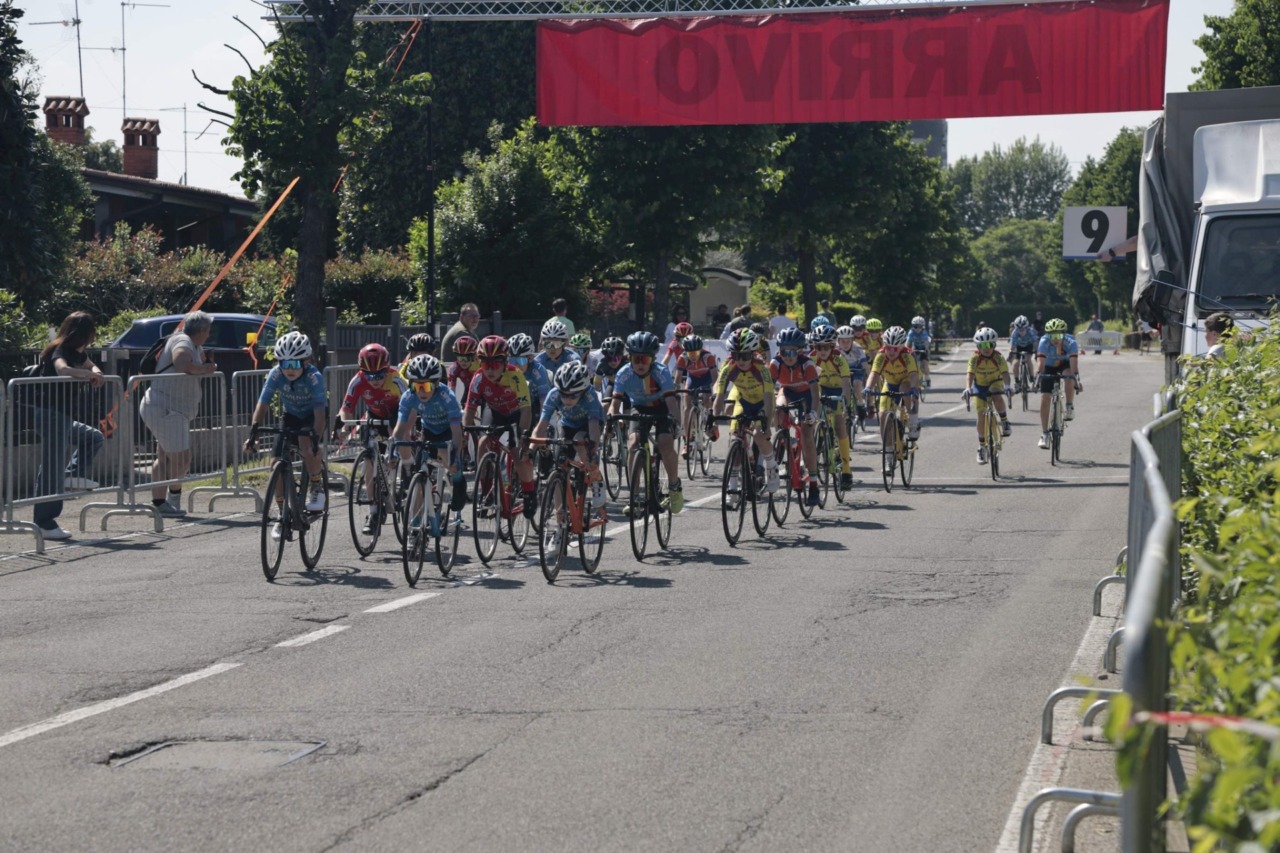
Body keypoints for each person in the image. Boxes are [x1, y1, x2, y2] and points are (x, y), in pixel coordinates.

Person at [31, 311, 108, 540]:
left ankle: (70, 475)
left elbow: (93, 366)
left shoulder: (78, 352)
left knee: (93, 437)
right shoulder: (59, 350)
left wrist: (96, 373)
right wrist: (86, 374)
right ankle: (44, 522)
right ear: (85, 333)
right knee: (51, 469)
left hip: (61, 416)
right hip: (51, 415)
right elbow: (62, 370)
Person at [243, 332, 329, 539]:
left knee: (306, 446)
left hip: (311, 416)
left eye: (295, 363)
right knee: (275, 464)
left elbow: (319, 415)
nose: (289, 368)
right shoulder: (276, 374)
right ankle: (282, 515)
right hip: (290, 415)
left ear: (306, 361)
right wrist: (254, 432)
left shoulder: (314, 377)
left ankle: (316, 487)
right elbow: (262, 404)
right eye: (284, 363)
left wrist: (316, 440)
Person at [139, 310, 219, 519]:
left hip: (168, 409)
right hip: (166, 409)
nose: (209, 335)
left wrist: (207, 364)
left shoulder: (193, 344)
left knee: (165, 457)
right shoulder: (182, 341)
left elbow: (200, 362)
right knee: (181, 459)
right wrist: (206, 369)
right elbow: (182, 364)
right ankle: (171, 499)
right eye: (208, 331)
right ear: (201, 330)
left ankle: (159, 503)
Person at [608, 330, 685, 513]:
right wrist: (611, 417)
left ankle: (674, 486)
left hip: (662, 407)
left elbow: (671, 402)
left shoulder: (661, 372)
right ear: (629, 358)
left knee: (664, 443)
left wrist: (676, 423)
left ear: (653, 359)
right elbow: (615, 403)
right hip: (640, 407)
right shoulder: (623, 373)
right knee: (633, 443)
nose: (640, 364)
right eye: (636, 359)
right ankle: (634, 496)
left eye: (645, 359)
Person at [462, 335, 538, 519]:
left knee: (516, 452)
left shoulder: (516, 376)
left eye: (495, 364)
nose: (489, 369)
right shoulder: (478, 378)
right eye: (484, 363)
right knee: (483, 444)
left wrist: (522, 434)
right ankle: (487, 493)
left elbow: (526, 410)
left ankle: (529, 492)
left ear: (504, 362)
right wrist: (465, 432)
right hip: (495, 411)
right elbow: (469, 410)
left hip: (518, 414)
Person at [393, 354, 468, 538]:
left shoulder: (446, 396)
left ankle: (458, 481)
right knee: (419, 478)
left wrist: (455, 456)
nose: (421, 391)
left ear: (435, 384)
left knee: (448, 459)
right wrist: (392, 451)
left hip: (448, 432)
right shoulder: (408, 397)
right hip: (428, 431)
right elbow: (399, 429)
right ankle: (416, 523)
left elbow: (457, 432)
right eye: (417, 386)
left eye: (426, 386)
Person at [336, 342, 408, 533]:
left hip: (397, 416)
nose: (374, 380)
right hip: (374, 417)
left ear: (387, 369)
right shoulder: (358, 381)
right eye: (369, 375)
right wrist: (344, 427)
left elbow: (411, 405)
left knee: (397, 439)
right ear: (362, 371)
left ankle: (404, 472)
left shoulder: (396, 380)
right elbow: (346, 408)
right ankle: (373, 510)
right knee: (368, 460)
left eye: (379, 375)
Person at [709, 328, 778, 499]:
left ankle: (771, 465)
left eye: (745, 356)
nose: (741, 360)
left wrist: (767, 425)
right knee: (735, 438)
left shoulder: (762, 369)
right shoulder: (729, 367)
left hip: (762, 403)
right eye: (736, 355)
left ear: (753, 354)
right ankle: (732, 486)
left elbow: (769, 399)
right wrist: (713, 420)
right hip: (744, 401)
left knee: (759, 436)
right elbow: (719, 396)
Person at [533, 362, 606, 515]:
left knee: (580, 441)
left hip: (589, 424)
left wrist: (593, 451)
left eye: (573, 395)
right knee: (559, 466)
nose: (567, 399)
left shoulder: (590, 396)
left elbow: (593, 428)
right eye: (564, 394)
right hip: (568, 424)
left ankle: (596, 478)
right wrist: (530, 448)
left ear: (583, 391)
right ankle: (560, 518)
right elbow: (541, 426)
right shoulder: (553, 395)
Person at [770, 327, 822, 506]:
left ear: (800, 351)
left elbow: (815, 393)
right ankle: (785, 439)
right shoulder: (776, 363)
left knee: (806, 433)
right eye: (784, 352)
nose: (788, 356)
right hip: (788, 391)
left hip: (806, 395)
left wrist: (813, 413)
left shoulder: (808, 365)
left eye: (792, 352)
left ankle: (813, 484)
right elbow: (768, 389)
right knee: (778, 408)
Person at [809, 324, 854, 489]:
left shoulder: (839, 359)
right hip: (821, 389)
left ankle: (847, 470)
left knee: (840, 426)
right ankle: (820, 440)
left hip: (838, 391)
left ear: (832, 346)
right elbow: (808, 382)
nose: (822, 351)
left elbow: (846, 383)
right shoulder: (811, 359)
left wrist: (845, 402)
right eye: (818, 347)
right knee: (813, 419)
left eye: (826, 347)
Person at [864, 326, 921, 442]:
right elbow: (874, 373)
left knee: (905, 388)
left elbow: (913, 375)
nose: (891, 351)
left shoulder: (907, 355)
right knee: (882, 415)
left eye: (895, 349)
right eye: (888, 347)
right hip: (890, 382)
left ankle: (913, 422)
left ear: (902, 347)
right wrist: (868, 387)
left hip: (907, 380)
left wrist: (914, 388)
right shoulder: (881, 355)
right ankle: (888, 450)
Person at [964, 328, 1012, 463]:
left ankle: (1004, 421)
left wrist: (1007, 386)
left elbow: (1005, 374)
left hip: (995, 382)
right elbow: (970, 374)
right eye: (983, 345)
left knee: (996, 396)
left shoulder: (998, 357)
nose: (986, 348)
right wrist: (967, 388)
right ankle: (982, 446)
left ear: (994, 345)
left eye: (989, 344)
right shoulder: (974, 358)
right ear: (978, 346)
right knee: (981, 415)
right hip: (979, 386)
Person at [1035, 318, 1082, 449]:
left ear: (1064, 334)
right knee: (1045, 398)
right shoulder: (1044, 341)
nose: (1055, 339)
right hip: (1049, 366)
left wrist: (1076, 380)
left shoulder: (1071, 342)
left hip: (1065, 364)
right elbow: (1041, 363)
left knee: (1069, 376)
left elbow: (1074, 365)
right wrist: (1038, 377)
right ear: (1048, 335)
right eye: (1052, 336)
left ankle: (1069, 406)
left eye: (1058, 336)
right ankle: (1044, 434)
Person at [673, 333, 718, 456]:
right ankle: (688, 441)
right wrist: (675, 390)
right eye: (690, 353)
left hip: (706, 378)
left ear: (700, 350)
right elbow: (677, 379)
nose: (693, 356)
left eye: (696, 353)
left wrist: (714, 392)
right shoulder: (682, 358)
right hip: (692, 379)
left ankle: (710, 423)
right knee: (687, 407)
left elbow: (715, 378)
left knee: (707, 399)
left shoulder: (708, 357)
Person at [835, 325, 869, 426]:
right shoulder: (835, 348)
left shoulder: (857, 348)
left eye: (848, 341)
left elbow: (865, 364)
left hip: (856, 368)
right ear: (838, 340)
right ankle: (846, 407)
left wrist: (868, 376)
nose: (845, 344)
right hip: (841, 369)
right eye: (843, 341)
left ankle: (860, 403)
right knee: (843, 388)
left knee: (857, 385)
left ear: (852, 340)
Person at [1007, 316, 1038, 391]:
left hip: (1028, 345)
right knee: (1016, 363)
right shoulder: (1015, 332)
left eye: (1023, 329)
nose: (1021, 331)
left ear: (1027, 327)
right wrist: (1011, 351)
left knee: (1028, 359)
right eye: (1019, 330)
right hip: (1019, 346)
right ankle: (1017, 381)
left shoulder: (1030, 331)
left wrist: (1036, 351)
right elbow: (1013, 345)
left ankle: (1031, 377)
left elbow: (1035, 342)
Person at [905, 316, 932, 388]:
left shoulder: (924, 332)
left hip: (923, 348)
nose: (918, 329)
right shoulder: (911, 332)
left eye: (920, 327)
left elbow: (926, 342)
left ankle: (927, 378)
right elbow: (908, 343)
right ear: (913, 326)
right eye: (915, 326)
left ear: (922, 327)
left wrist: (926, 349)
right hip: (915, 347)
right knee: (913, 363)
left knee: (925, 365)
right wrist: (907, 350)